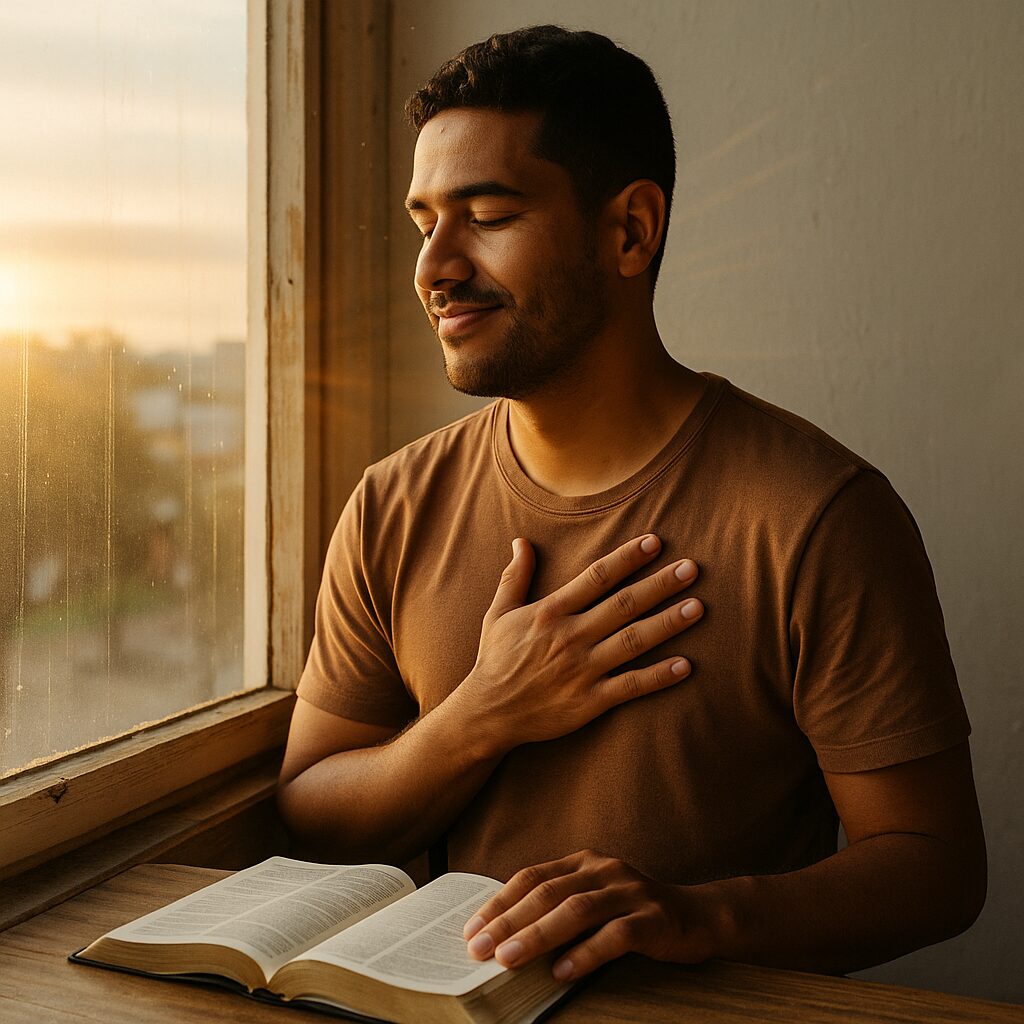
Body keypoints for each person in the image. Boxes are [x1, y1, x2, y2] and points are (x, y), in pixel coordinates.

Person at [278, 25, 985, 984]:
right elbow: (311, 810)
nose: (434, 268)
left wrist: (695, 918)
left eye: (485, 215)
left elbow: (937, 871)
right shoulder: (391, 505)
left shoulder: (818, 516)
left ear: (631, 231)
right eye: (423, 223)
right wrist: (482, 715)